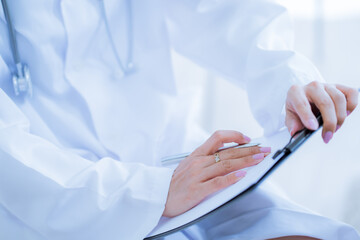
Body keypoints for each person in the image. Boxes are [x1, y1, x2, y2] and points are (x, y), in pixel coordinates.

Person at [0, 0, 358, 239]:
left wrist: (288, 81)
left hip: (176, 158)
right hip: (57, 205)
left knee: (308, 232)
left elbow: (222, 11)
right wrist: (154, 193)